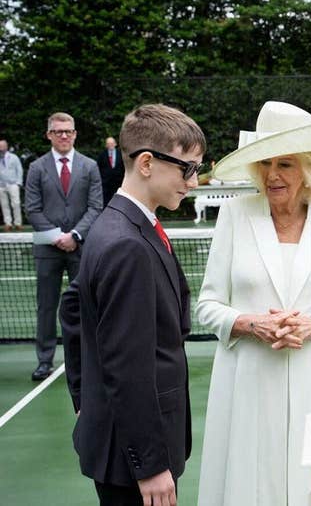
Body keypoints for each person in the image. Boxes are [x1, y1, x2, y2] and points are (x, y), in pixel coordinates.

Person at [197, 102, 311, 506]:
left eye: (285, 164)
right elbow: (208, 304)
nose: (272, 175)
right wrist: (252, 324)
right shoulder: (234, 214)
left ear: (309, 168)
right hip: (248, 382)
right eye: (266, 163)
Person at [68, 104, 205, 505]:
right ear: (147, 163)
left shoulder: (118, 225)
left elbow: (72, 310)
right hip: (134, 462)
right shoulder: (127, 243)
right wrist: (150, 465)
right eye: (187, 168)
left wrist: (84, 398)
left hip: (121, 444)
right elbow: (128, 366)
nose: (193, 182)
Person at [24, 112, 102, 381]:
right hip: (47, 250)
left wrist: (75, 236)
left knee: (85, 305)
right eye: (58, 131)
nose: (64, 135)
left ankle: (88, 359)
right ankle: (44, 361)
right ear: (49, 135)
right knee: (46, 307)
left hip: (82, 249)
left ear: (75, 134)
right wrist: (58, 236)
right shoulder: (36, 168)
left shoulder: (90, 166)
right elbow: (32, 209)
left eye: (69, 131)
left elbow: (95, 207)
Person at [0, 139, 24, 230]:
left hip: (13, 184)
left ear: (6, 147)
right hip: (1, 185)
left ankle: (18, 223)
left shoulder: (14, 157)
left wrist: (18, 183)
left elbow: (19, 169)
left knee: (16, 204)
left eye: (2, 146)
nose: (1, 148)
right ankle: (8, 224)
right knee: (4, 205)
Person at [96, 136, 125, 206]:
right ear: (106, 145)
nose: (110, 145)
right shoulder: (102, 155)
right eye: (108, 144)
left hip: (118, 183)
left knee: (118, 201)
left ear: (115, 144)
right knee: (106, 202)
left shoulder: (121, 154)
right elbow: (98, 168)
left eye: (112, 143)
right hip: (106, 184)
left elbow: (124, 167)